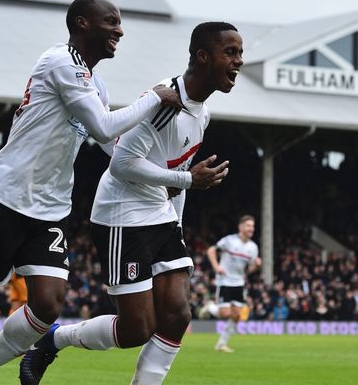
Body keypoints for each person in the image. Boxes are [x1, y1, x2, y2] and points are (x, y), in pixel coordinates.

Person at [0, 0, 180, 385]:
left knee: (48, 305)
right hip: (5, 198)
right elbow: (106, 127)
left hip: (49, 209)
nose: (119, 30)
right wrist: (153, 97)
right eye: (111, 21)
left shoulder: (94, 85)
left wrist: (165, 176)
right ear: (82, 24)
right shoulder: (61, 62)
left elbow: (114, 149)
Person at [19, 21, 242, 385]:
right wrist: (187, 179)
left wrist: (178, 228)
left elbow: (176, 175)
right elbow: (122, 163)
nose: (239, 61)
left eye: (240, 53)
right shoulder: (165, 102)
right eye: (230, 52)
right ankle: (54, 339)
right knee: (137, 328)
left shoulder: (201, 112)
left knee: (179, 314)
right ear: (203, 56)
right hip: (122, 214)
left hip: (159, 215)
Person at [201, 215, 261, 352]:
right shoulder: (229, 240)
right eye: (248, 225)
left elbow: (248, 270)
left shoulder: (253, 247)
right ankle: (210, 307)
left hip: (239, 282)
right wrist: (216, 267)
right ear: (241, 227)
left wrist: (256, 266)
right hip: (225, 281)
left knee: (237, 315)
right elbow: (211, 250)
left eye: (252, 226)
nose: (251, 228)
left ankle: (221, 344)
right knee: (224, 313)